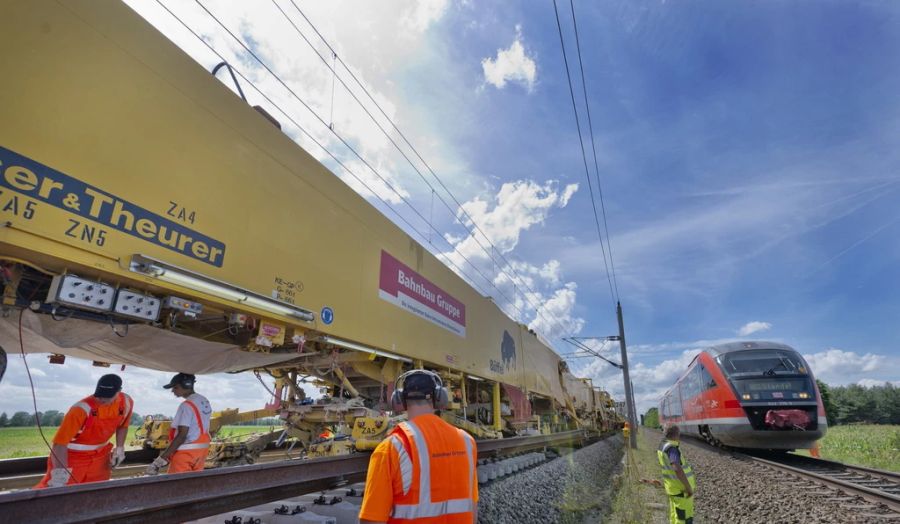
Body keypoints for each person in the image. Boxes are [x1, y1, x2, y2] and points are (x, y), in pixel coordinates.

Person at [359, 369, 478, 523]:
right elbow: (472, 509)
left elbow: (372, 520)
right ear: (438, 398)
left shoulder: (392, 447)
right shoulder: (467, 442)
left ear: (400, 400)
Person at [35, 374, 133, 488]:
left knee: (97, 491)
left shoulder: (126, 402)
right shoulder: (80, 409)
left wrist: (120, 448)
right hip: (73, 459)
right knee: (60, 493)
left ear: (119, 391)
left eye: (108, 397)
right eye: (100, 396)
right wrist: (59, 475)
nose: (102, 400)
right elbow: (59, 444)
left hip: (100, 457)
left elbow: (122, 426)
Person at [145, 373, 212, 475]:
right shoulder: (204, 401)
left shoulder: (186, 406)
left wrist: (160, 460)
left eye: (175, 387)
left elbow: (182, 435)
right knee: (193, 485)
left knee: (176, 487)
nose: (172, 391)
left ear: (186, 385)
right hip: (201, 452)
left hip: (185, 454)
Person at [657, 425, 697, 524]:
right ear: (676, 435)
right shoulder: (672, 449)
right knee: (684, 518)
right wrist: (688, 488)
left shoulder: (662, 445)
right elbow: (676, 468)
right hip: (681, 490)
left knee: (675, 515)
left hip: (672, 489)